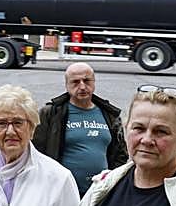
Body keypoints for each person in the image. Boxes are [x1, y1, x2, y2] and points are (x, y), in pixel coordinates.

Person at [33, 63, 127, 196]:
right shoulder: (52, 113)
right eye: (75, 82)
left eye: (87, 81)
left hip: (100, 193)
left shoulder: (110, 114)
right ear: (67, 85)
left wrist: (112, 182)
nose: (82, 86)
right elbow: (36, 152)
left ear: (94, 83)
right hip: (63, 193)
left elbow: (120, 154)